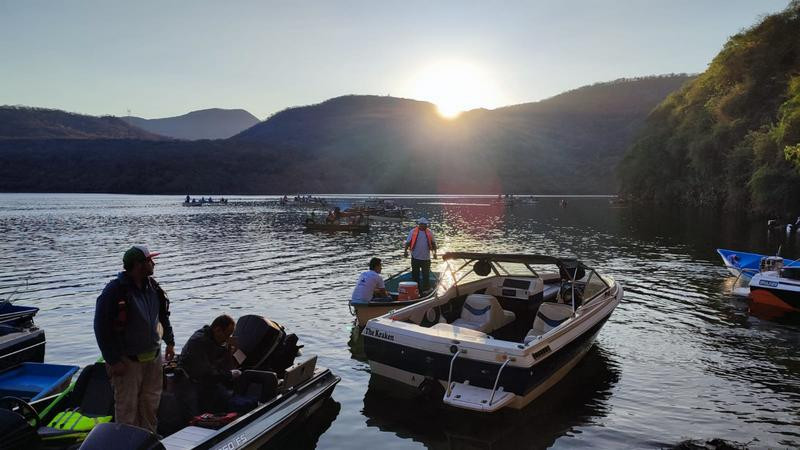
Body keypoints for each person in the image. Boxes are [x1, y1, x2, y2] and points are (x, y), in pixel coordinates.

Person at [94, 245, 175, 433]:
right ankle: (127, 444)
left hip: (153, 359)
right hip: (127, 362)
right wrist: (113, 360)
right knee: (127, 409)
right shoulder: (114, 291)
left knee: (150, 404)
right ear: (139, 265)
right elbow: (101, 327)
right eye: (150, 260)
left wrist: (169, 342)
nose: (153, 263)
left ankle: (148, 440)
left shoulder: (154, 287)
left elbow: (163, 316)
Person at [178, 314, 240, 415]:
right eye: (227, 335)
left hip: (204, 379)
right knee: (225, 398)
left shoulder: (211, 337)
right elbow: (208, 374)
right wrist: (230, 374)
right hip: (191, 382)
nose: (228, 339)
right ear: (218, 330)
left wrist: (229, 350)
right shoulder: (199, 342)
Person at [404, 218, 437, 293]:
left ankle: (426, 289)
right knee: (415, 275)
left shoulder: (429, 232)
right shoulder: (413, 232)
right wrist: (405, 251)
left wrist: (435, 253)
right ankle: (416, 290)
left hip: (426, 258)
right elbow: (408, 242)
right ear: (419, 225)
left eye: (425, 225)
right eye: (422, 224)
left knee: (426, 275)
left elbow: (433, 243)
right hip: (415, 257)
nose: (424, 226)